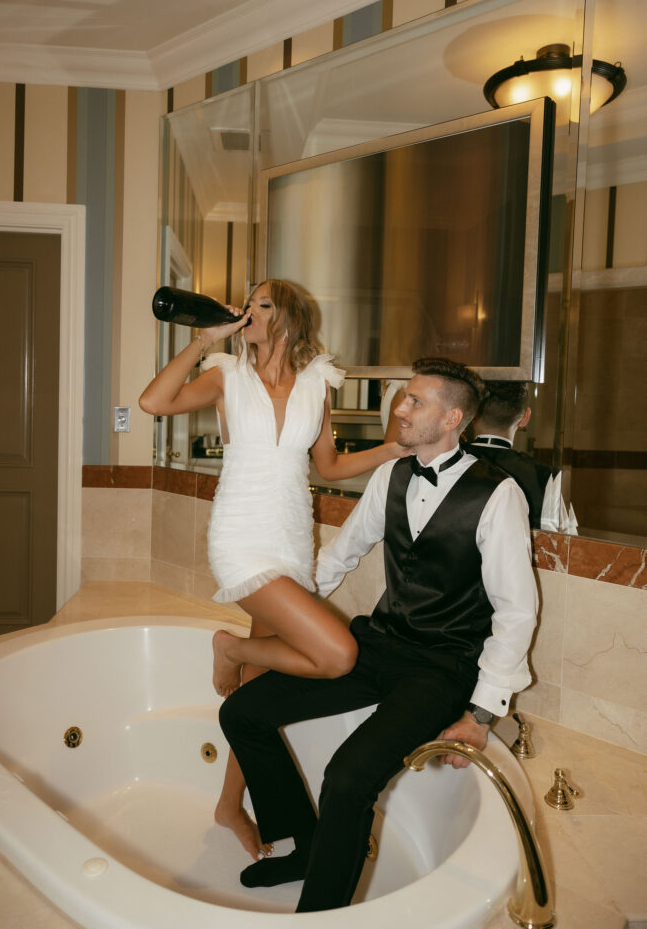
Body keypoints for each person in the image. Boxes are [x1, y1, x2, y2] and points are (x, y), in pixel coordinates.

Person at [219, 356, 539, 913]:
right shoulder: (392, 474)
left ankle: (319, 916)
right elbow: (338, 558)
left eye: (416, 401)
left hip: (445, 665)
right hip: (381, 641)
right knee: (241, 712)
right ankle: (307, 846)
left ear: (453, 418)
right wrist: (277, 604)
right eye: (403, 396)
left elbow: (516, 612)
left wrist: (483, 714)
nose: (399, 407)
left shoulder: (498, 493)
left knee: (346, 778)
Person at [139, 278, 408, 861]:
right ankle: (229, 648)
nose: (247, 311)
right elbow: (154, 403)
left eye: (261, 304)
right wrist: (203, 338)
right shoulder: (225, 375)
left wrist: (390, 450)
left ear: (289, 317)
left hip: (290, 536)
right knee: (337, 654)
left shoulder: (318, 385)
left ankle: (229, 804)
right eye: (247, 304)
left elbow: (330, 466)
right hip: (240, 535)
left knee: (256, 701)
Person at [465, 380, 577, 533]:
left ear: (472, 414)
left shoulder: (445, 461)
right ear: (525, 417)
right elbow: (567, 544)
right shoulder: (545, 477)